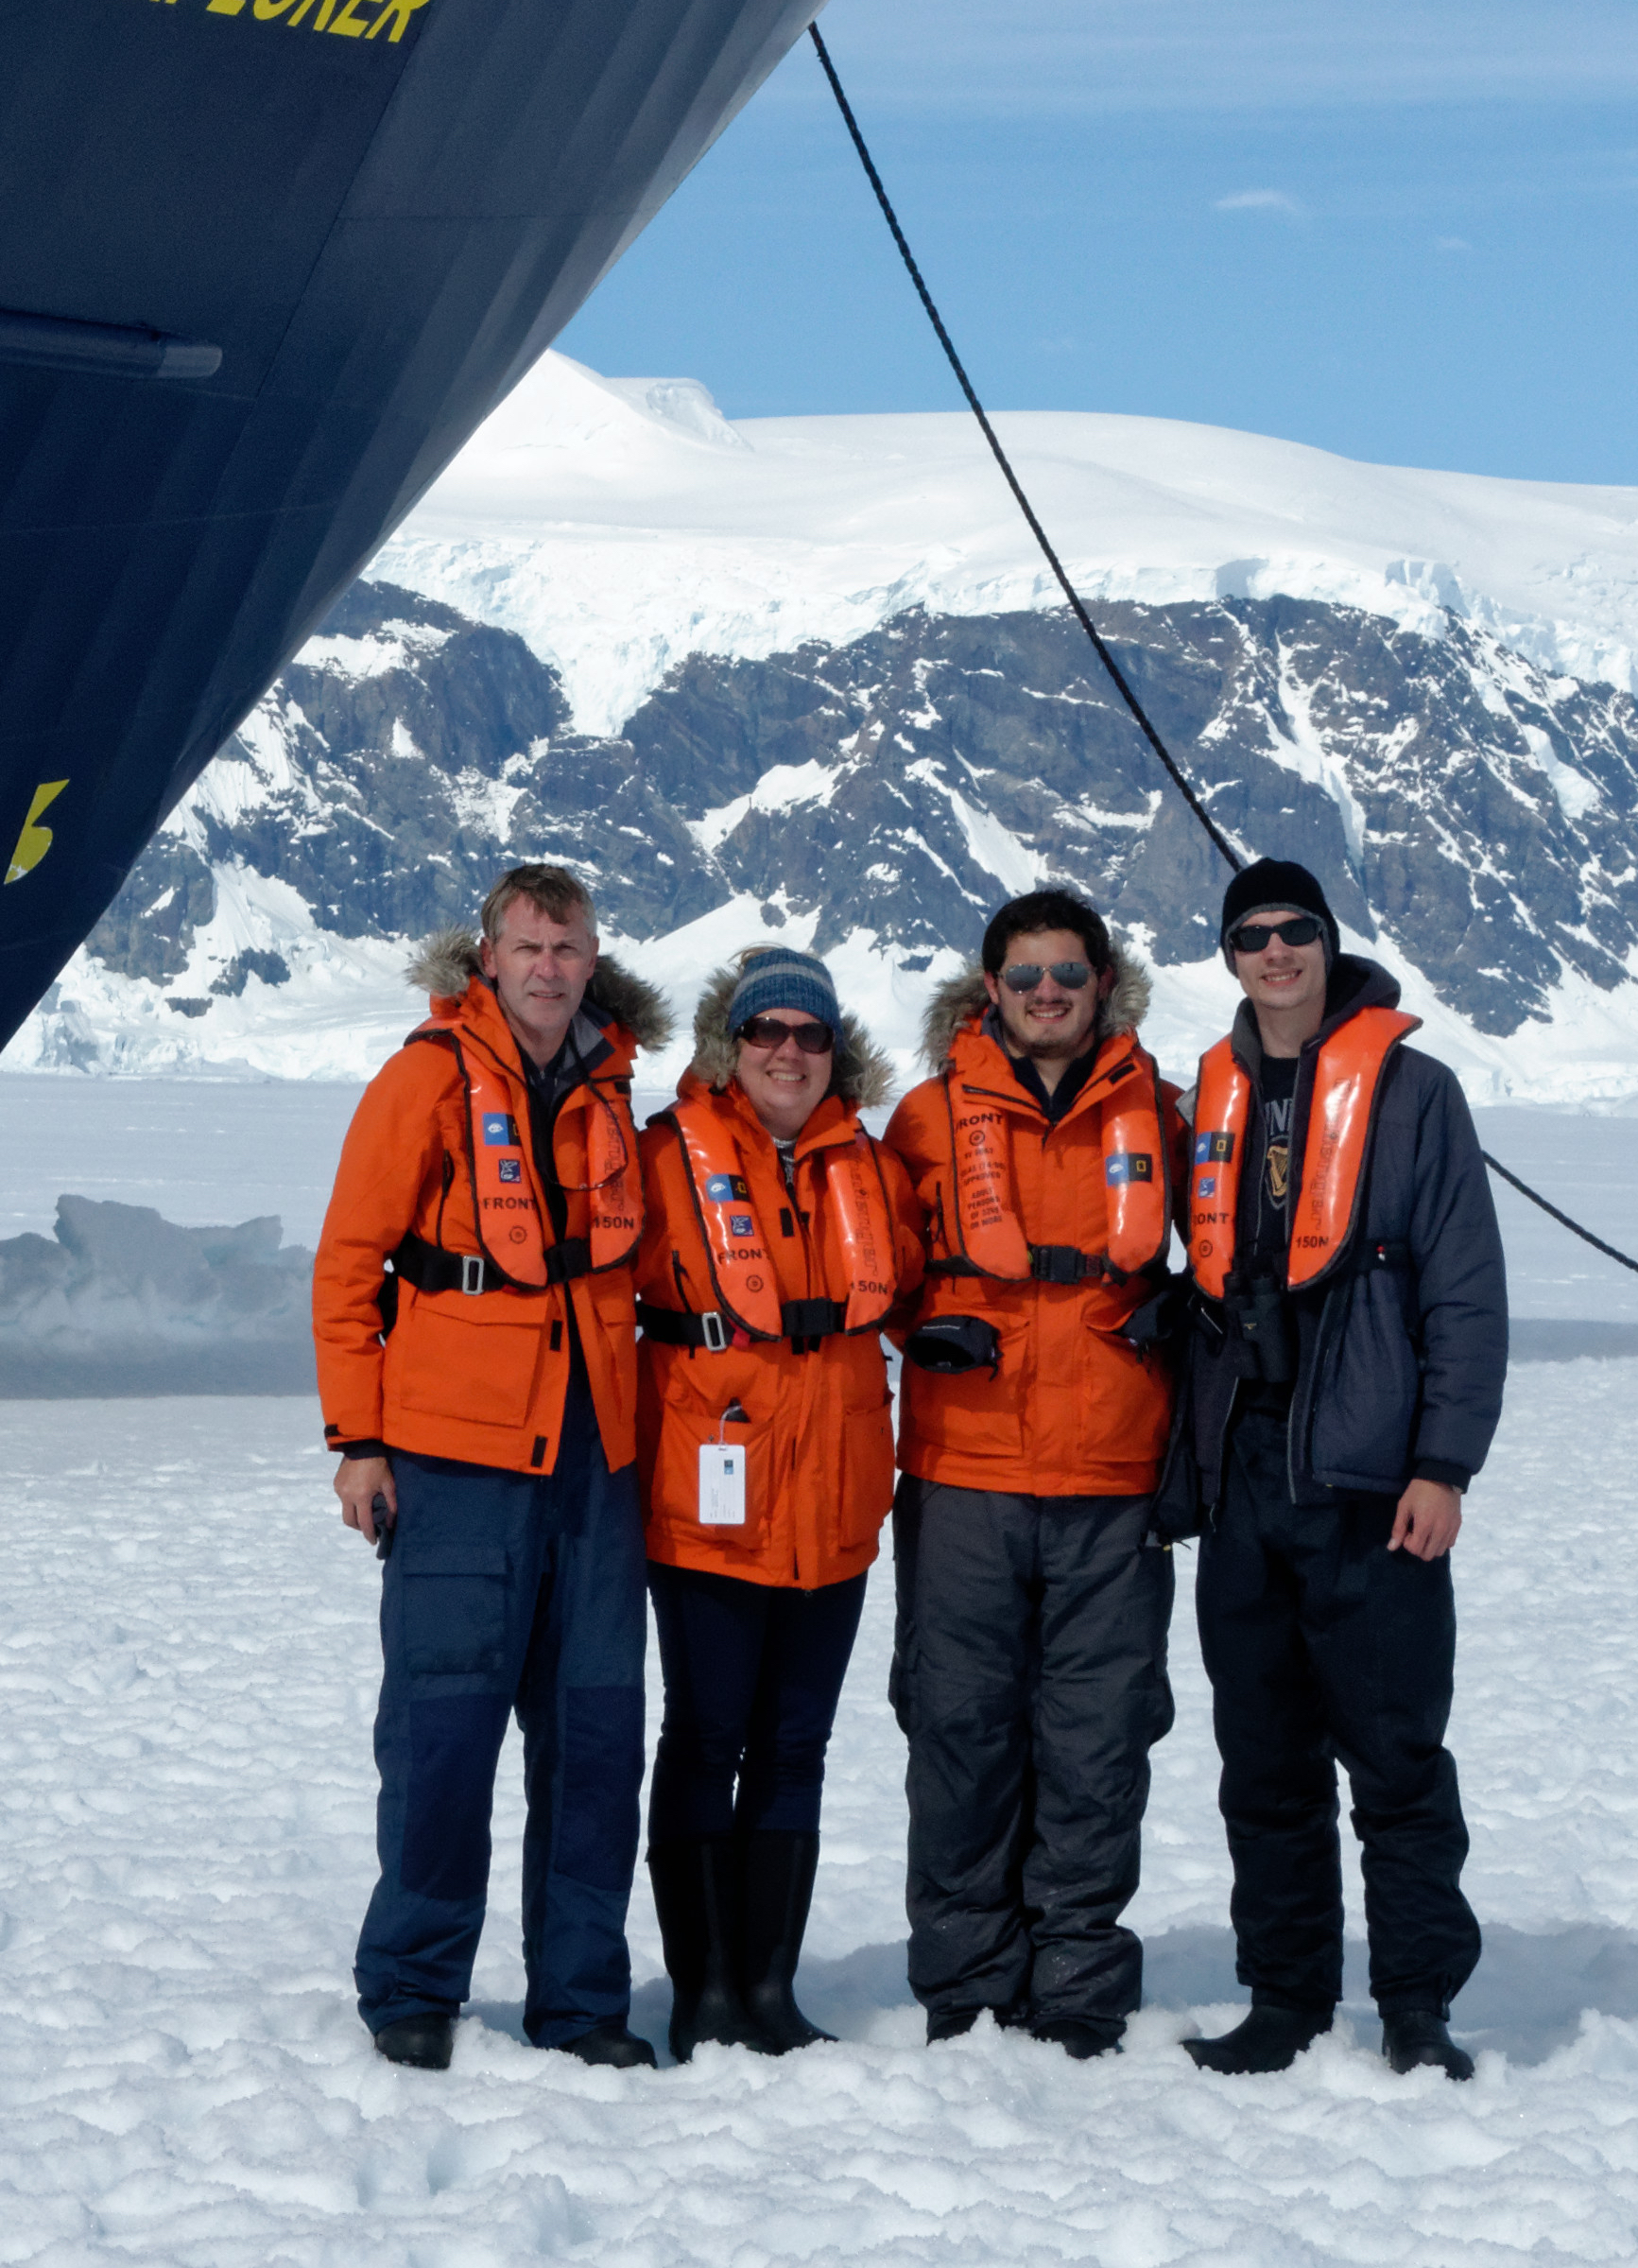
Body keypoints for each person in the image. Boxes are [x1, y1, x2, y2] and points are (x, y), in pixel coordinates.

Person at [313, 862, 669, 2071]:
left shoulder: (616, 1087)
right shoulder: (425, 1080)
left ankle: (582, 2000)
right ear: (489, 954)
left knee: (596, 1739)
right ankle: (414, 1984)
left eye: (569, 947)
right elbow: (349, 1265)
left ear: (593, 955)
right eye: (528, 946)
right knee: (442, 1728)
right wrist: (357, 1439)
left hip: (595, 1457)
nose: (549, 967)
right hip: (456, 1455)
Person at [1174, 855, 1507, 2085]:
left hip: (1372, 1482)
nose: (1276, 952)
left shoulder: (1417, 1096)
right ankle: (1287, 1996)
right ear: (1230, 955)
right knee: (1263, 1762)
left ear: (1328, 941)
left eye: (1295, 930)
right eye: (1252, 934)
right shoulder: (1209, 1096)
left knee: (1398, 1760)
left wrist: (1444, 1463)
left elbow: (1466, 1294)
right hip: (1246, 1474)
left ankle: (1416, 2002)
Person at [881, 886, 1190, 2055]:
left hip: (1114, 1474)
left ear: (1102, 983)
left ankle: (1076, 1982)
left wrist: (1179, 1311)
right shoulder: (925, 1118)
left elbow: (1213, 1245)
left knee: (1099, 1736)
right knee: (959, 1728)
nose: (1048, 993)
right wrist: (926, 1325)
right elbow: (880, 1265)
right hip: (967, 1471)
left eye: (1068, 972)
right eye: (1025, 976)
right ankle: (965, 1978)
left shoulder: (1163, 1111)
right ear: (990, 988)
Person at [633, 942, 899, 2061]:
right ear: (729, 1044)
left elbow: (930, 1279)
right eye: (766, 1030)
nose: (788, 1051)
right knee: (704, 1735)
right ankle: (701, 1991)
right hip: (712, 1494)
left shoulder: (868, 1164)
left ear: (837, 1051)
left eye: (810, 1033)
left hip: (835, 1500)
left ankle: (769, 1986)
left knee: (796, 1743)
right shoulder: (662, 1156)